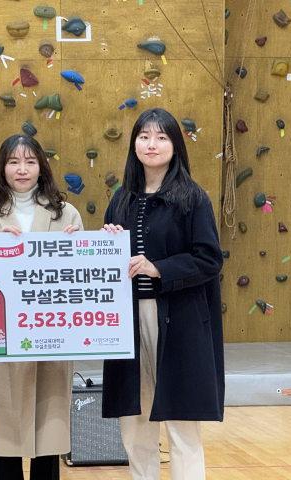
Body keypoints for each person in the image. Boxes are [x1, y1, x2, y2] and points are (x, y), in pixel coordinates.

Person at [101, 108, 224, 480]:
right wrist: (106, 243)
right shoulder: (122, 198)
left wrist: (159, 268)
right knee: (134, 421)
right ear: (134, 144)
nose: (151, 144)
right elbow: (110, 265)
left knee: (181, 422)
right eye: (143, 136)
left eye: (161, 137)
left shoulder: (193, 197)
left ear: (175, 145)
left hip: (178, 320)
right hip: (128, 321)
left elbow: (209, 259)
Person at [0, 134, 84, 480]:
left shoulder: (67, 213)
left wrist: (76, 250)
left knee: (49, 437)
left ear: (41, 167)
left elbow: (82, 277)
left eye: (30, 162)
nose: (22, 169)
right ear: (2, 168)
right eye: (14, 162)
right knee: (8, 439)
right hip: (5, 339)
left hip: (52, 335)